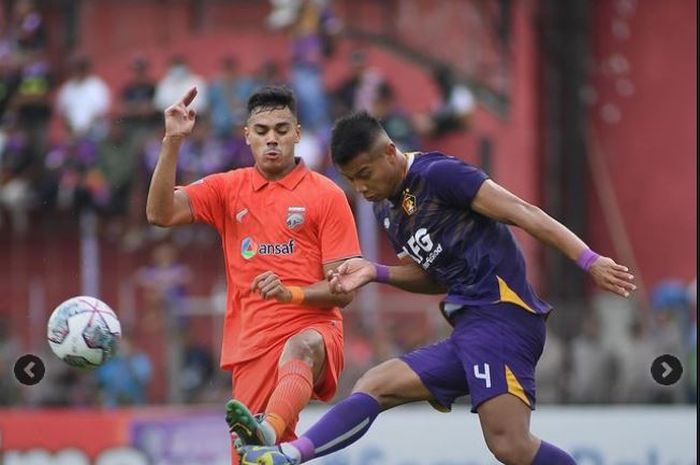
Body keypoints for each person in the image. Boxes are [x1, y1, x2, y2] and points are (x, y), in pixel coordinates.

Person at [238, 111, 636, 464]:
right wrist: (374, 271)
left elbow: (523, 212)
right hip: (469, 329)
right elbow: (432, 275)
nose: (360, 187)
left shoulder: (439, 175)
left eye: (365, 174)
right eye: (350, 179)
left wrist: (589, 260)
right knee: (376, 385)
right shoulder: (387, 209)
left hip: (502, 316)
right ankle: (289, 455)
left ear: (389, 152)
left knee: (511, 446)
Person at [145, 86, 362, 463]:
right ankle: (265, 437)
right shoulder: (228, 188)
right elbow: (159, 214)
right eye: (261, 131)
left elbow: (343, 289)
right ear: (247, 136)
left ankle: (268, 428)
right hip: (250, 347)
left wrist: (289, 294)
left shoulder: (327, 195)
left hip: (314, 330)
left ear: (298, 133)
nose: (272, 139)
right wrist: (173, 142)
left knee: (302, 347)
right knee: (255, 460)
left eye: (281, 129)